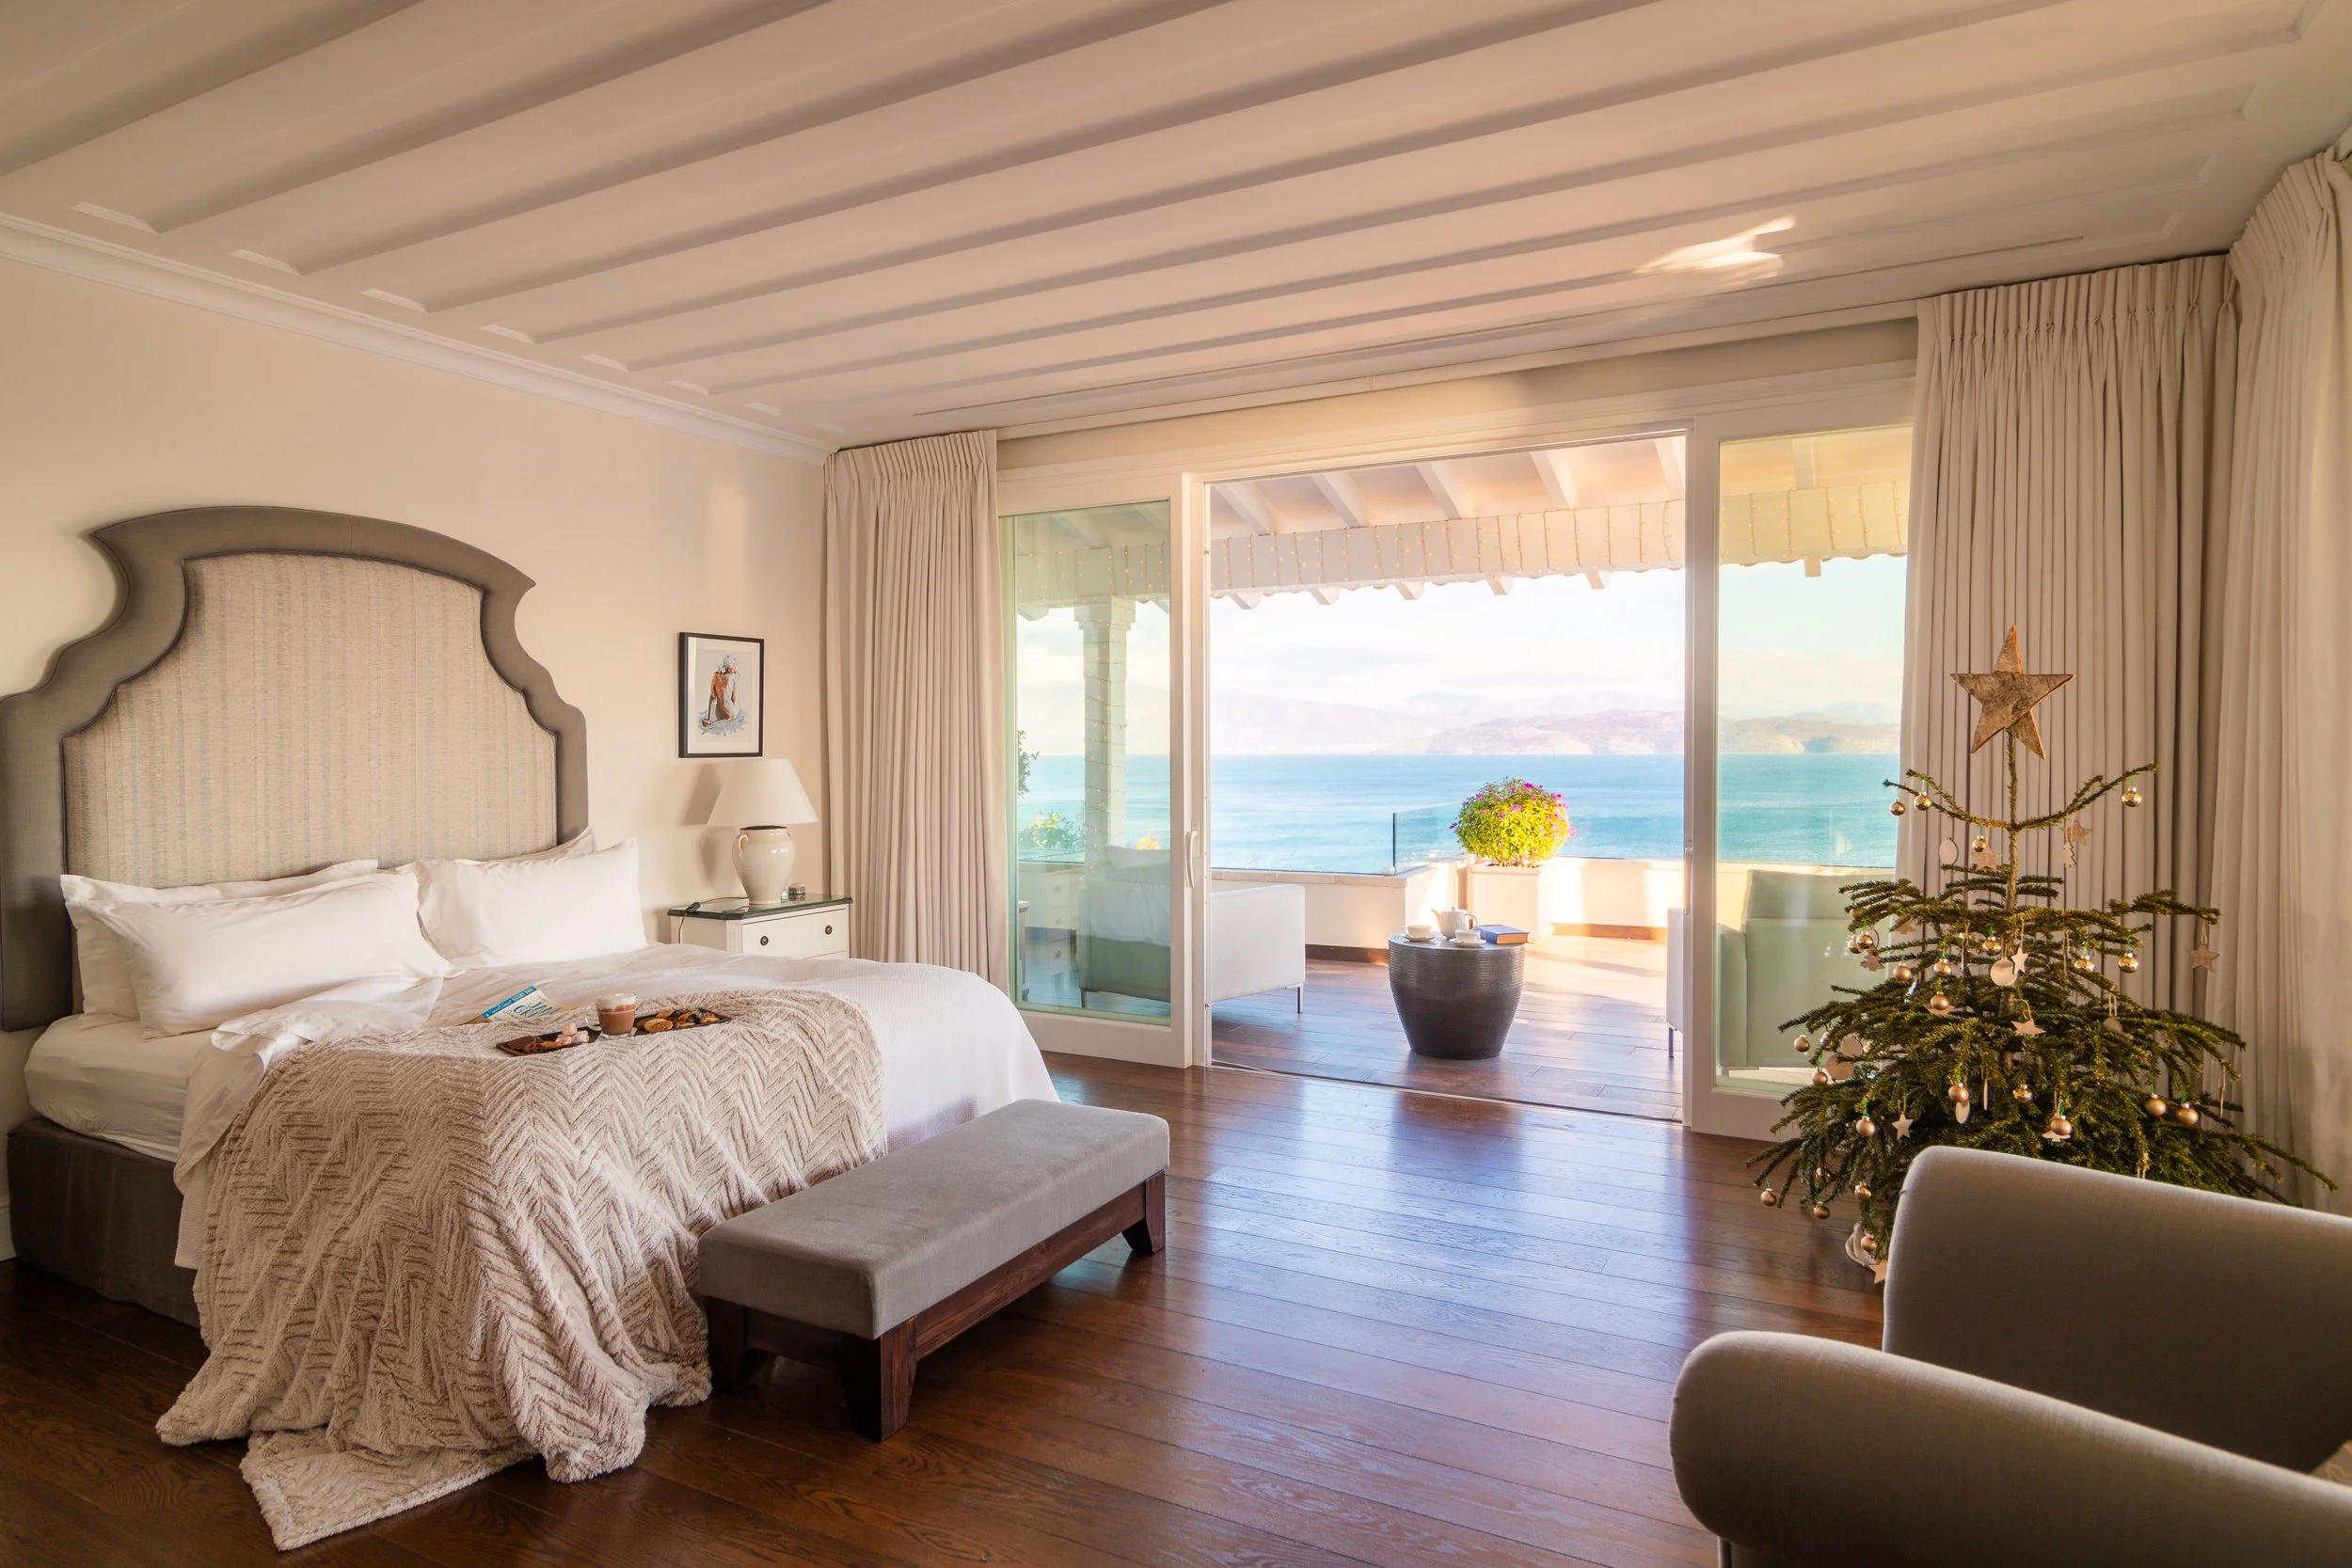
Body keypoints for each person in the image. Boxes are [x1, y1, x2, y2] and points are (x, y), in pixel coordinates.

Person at [703, 654, 738, 728]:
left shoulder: (715, 676)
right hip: (730, 713)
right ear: (729, 668)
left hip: (719, 714)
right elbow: (734, 698)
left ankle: (709, 719)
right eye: (734, 665)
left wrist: (709, 718)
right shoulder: (732, 677)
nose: (735, 668)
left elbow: (712, 698)